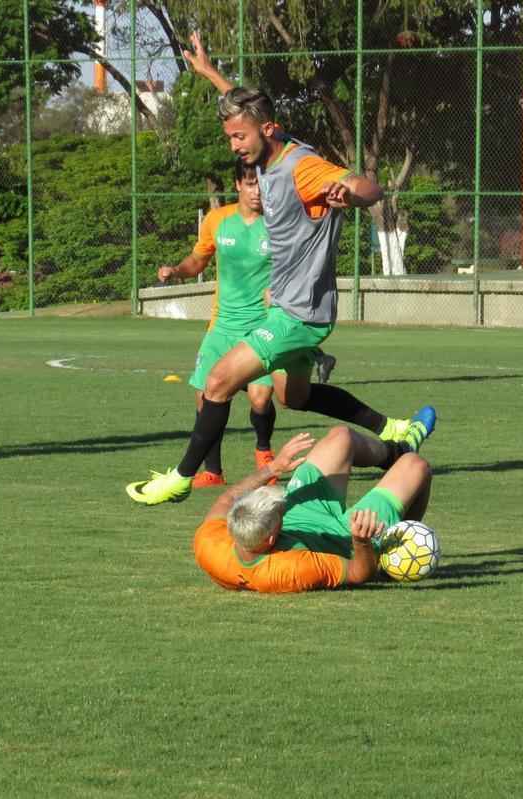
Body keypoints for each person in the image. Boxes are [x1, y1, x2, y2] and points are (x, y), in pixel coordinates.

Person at [126, 33, 431, 505]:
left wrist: (352, 194)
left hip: (299, 314)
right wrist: (210, 74)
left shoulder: (301, 167)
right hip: (290, 308)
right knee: (296, 398)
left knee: (218, 382)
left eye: (238, 137)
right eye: (230, 137)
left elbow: (369, 188)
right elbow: (248, 112)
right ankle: (394, 438)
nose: (233, 146)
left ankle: (181, 479)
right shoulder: (273, 143)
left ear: (265, 131)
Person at [193, 414, 435, 593]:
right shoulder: (289, 569)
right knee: (416, 465)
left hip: (303, 509)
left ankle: (396, 450)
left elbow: (227, 498)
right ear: (270, 540)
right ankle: (395, 553)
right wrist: (361, 541)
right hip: (341, 535)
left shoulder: (210, 544)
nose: (281, 503)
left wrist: (272, 468)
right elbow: (358, 574)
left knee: (342, 436)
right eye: (279, 511)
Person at [157, 161, 282, 487]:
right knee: (205, 398)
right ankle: (213, 471)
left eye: (263, 185)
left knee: (260, 399)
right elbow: (198, 259)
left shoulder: (279, 223)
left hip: (261, 326)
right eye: (252, 184)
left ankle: (264, 450)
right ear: (239, 184)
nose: (258, 192)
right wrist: (177, 271)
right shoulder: (217, 220)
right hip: (222, 327)